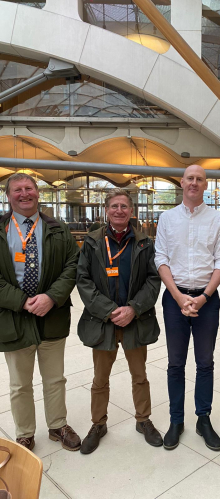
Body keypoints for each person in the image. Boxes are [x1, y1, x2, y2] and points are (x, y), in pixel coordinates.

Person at [77, 188, 163, 454]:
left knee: (140, 375)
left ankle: (143, 420)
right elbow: (83, 280)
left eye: (124, 206)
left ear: (132, 211)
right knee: (100, 378)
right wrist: (110, 310)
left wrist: (132, 309)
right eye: (114, 206)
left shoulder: (144, 242)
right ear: (106, 210)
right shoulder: (92, 242)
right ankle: (98, 424)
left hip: (135, 320)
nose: (119, 211)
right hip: (103, 321)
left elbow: (153, 279)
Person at [0, 173, 81, 451]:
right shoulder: (0, 229)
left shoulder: (58, 229)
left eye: (29, 188)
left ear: (38, 192)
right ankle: (24, 432)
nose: (24, 194)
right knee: (19, 384)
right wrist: (22, 300)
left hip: (52, 315)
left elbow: (73, 265)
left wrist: (51, 296)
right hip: (14, 317)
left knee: (55, 378)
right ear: (8, 196)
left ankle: (58, 425)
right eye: (17, 190)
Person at [155, 165, 220, 451]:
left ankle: (203, 418)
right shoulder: (167, 217)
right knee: (175, 363)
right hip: (174, 300)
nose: (194, 183)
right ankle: (177, 421)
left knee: (205, 363)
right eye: (190, 178)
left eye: (200, 179)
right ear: (182, 182)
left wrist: (204, 297)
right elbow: (160, 257)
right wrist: (176, 296)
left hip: (206, 301)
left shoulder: (217, 219)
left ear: (205, 185)